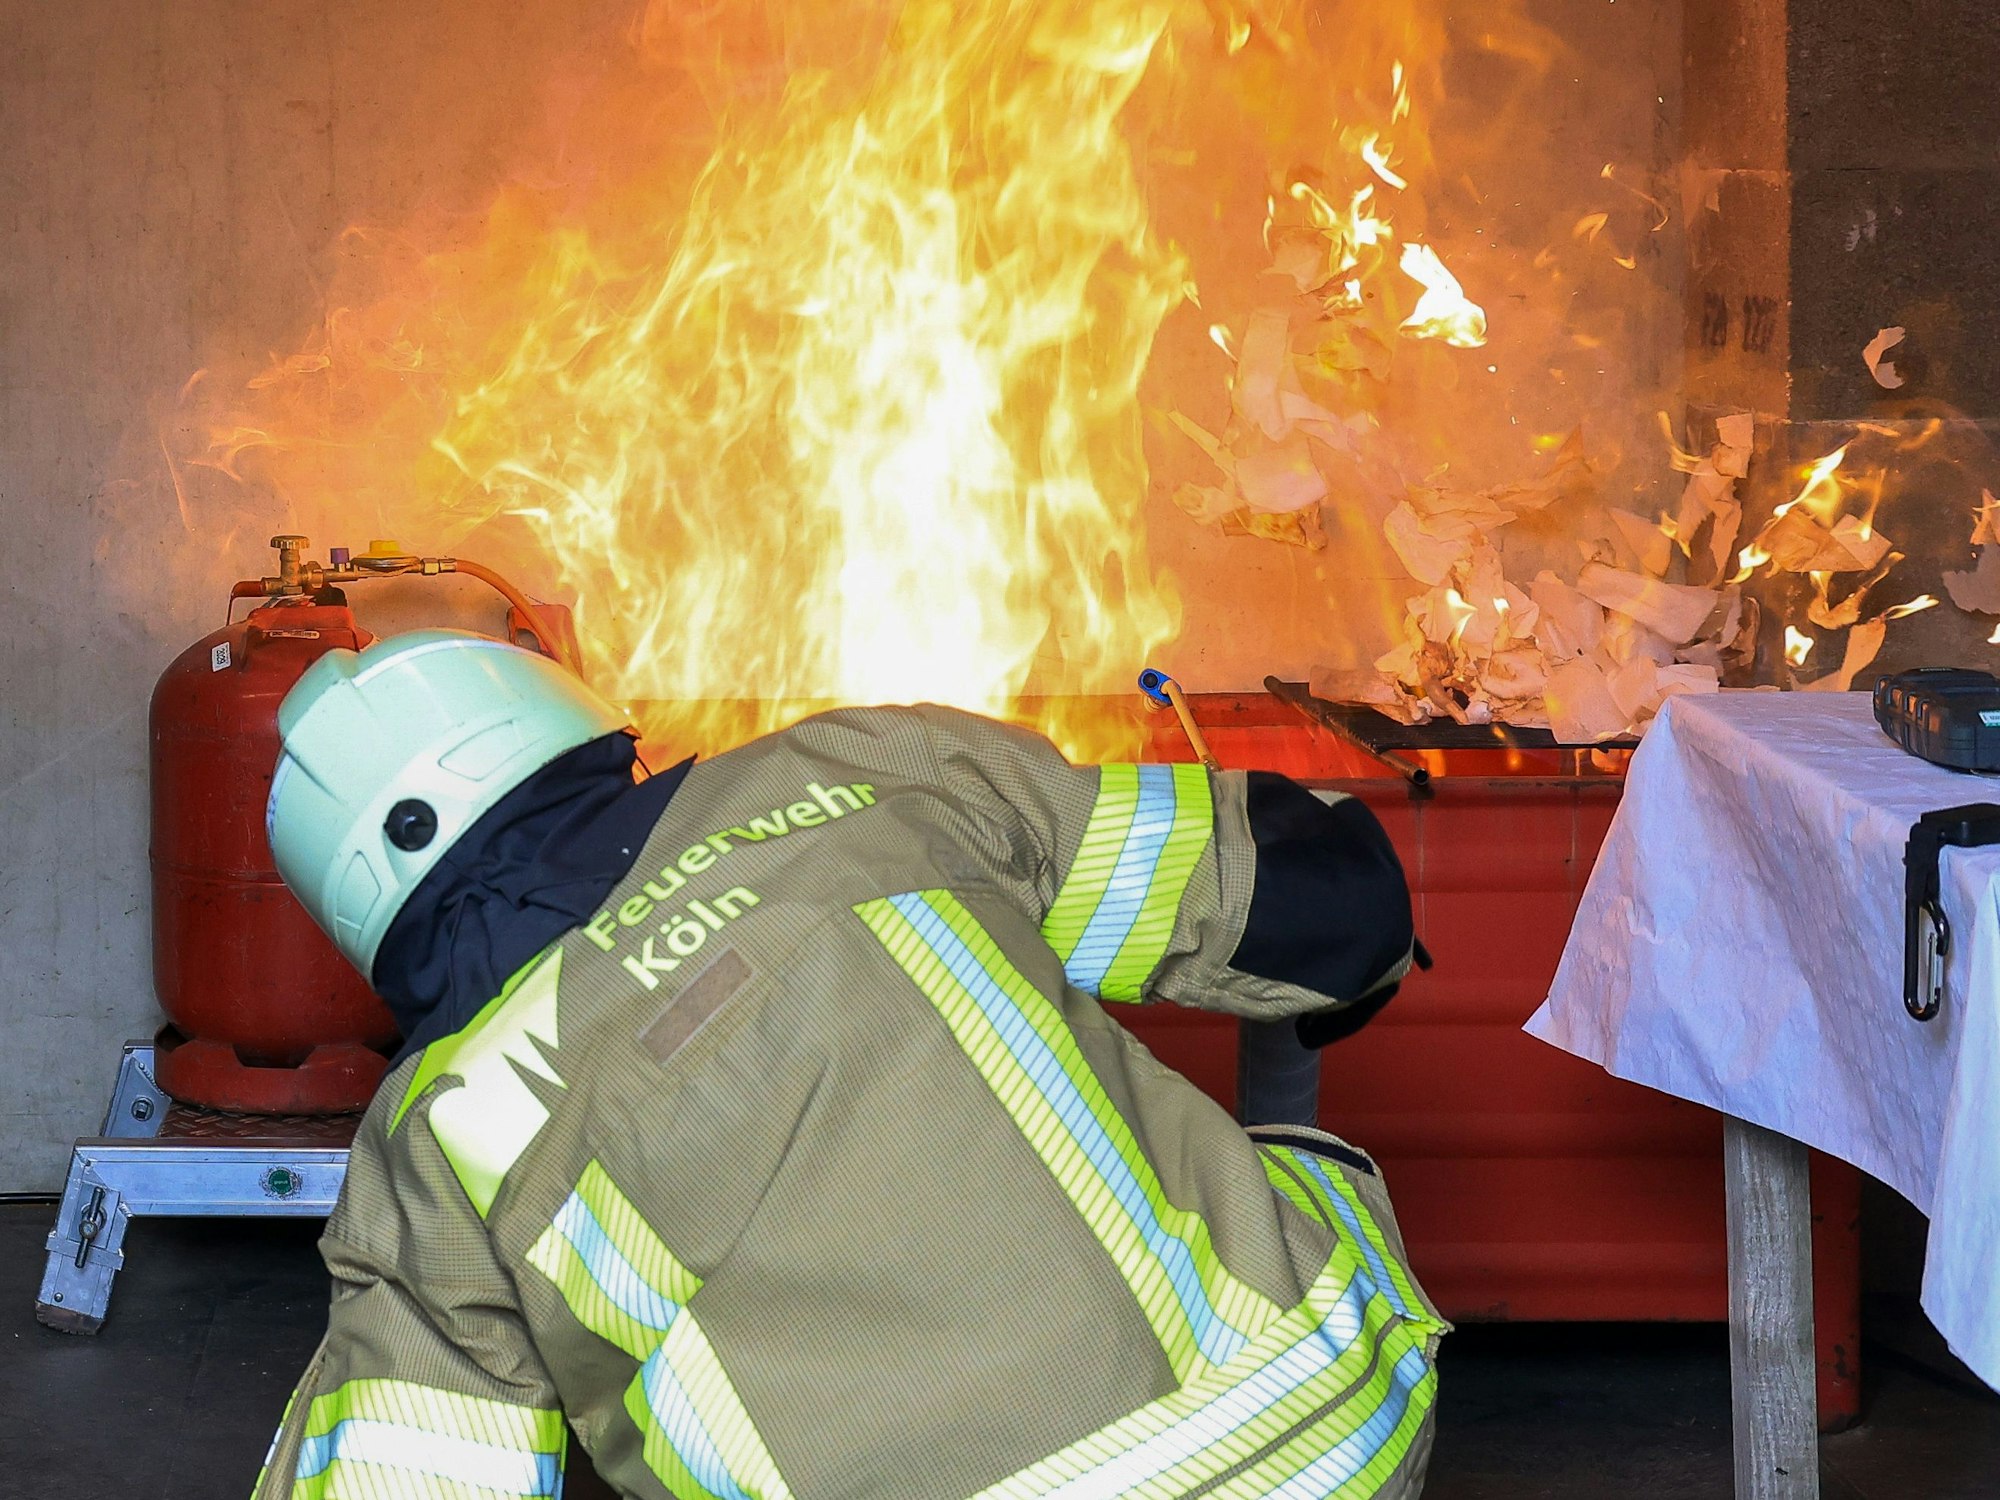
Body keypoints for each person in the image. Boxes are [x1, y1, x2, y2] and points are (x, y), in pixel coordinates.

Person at [255, 628, 1446, 1500]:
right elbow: (1316, 907)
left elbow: (405, 1477)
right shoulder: (860, 773)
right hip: (1316, 1435)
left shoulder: (432, 1142)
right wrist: (1358, 963)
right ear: (563, 724)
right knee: (1285, 1165)